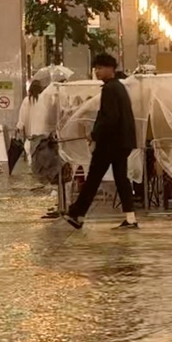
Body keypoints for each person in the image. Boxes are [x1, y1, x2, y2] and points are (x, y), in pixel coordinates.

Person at [66, 54, 139, 230]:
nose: (97, 72)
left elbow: (109, 118)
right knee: (121, 178)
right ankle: (130, 217)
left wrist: (95, 134)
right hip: (122, 142)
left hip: (110, 143)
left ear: (110, 69)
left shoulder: (110, 89)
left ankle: (78, 213)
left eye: (100, 68)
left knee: (93, 177)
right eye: (95, 68)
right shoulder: (118, 88)